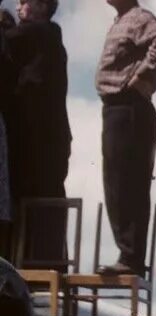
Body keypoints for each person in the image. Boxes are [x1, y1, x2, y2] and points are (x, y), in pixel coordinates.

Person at [94, 0, 156, 276]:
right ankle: (129, 256)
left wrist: (143, 73)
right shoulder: (122, 20)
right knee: (118, 185)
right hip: (118, 109)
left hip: (128, 108)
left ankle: (130, 258)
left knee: (125, 185)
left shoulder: (137, 17)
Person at [0, 0, 71, 267]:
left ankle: (37, 266)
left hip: (39, 142)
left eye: (24, 2)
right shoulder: (44, 38)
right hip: (43, 141)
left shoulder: (40, 34)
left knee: (36, 205)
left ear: (42, 7)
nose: (19, 9)